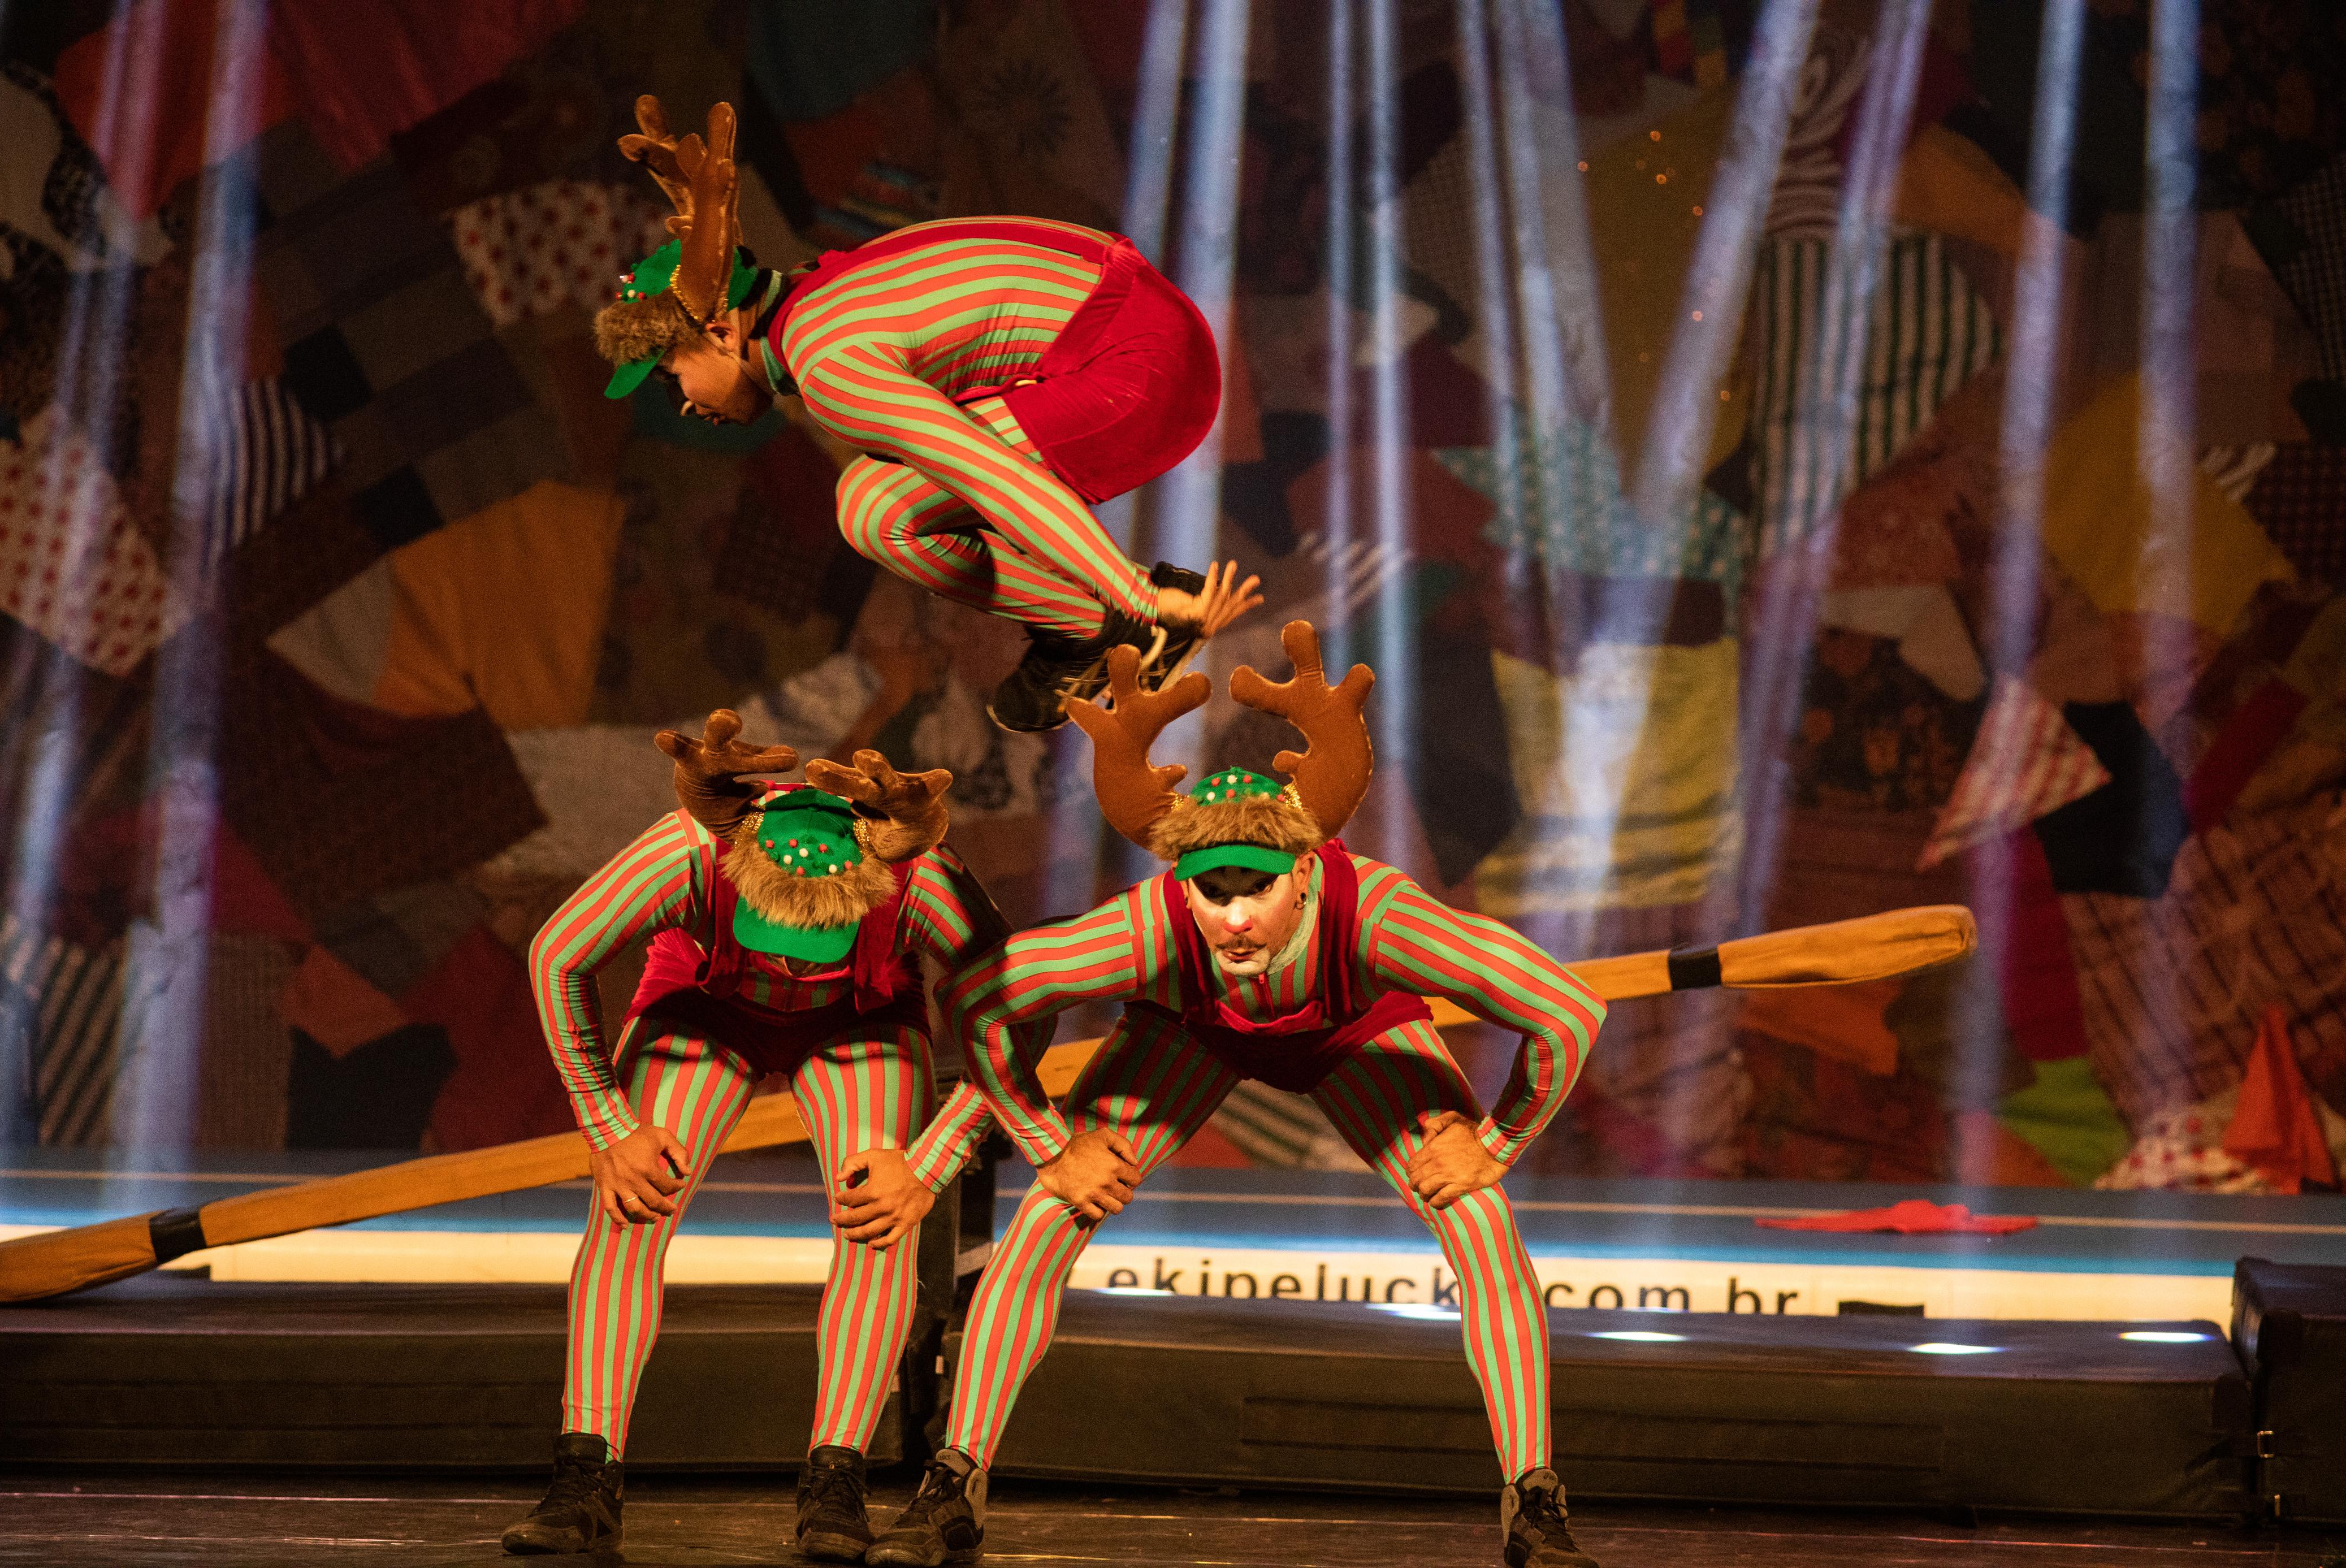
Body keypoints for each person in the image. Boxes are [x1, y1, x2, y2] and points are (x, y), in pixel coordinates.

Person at [856, 623, 1609, 1568]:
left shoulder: (1379, 914)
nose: (1238, 918)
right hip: (1191, 1033)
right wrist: (1051, 1144)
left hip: (1353, 1033)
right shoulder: (1148, 926)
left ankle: (1535, 1499)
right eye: (1214, 893)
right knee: (1049, 1212)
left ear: (1305, 868)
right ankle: (951, 1481)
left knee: (1482, 1218)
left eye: (1259, 889)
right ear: (1183, 882)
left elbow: (1566, 1010)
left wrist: (1495, 1144)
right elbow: (977, 1000)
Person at [504, 714, 1042, 1560]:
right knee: (632, 1205)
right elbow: (554, 956)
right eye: (781, 939)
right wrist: (607, 1125)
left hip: (860, 1016)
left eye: (813, 942)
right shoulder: (689, 849)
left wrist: (930, 1163)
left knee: (878, 1218)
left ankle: (837, 1478)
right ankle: (586, 1473)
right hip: (704, 1003)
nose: (792, 963)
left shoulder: (920, 876)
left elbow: (1021, 1007)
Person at [590, 96, 1262, 731]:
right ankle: (1098, 628)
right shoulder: (812, 291)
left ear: (721, 332)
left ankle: (1129, 624)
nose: (684, 402)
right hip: (1147, 337)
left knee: (876, 510)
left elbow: (996, 476)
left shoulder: (825, 363)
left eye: (672, 376)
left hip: (1147, 375)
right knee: (870, 495)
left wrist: (1137, 597)